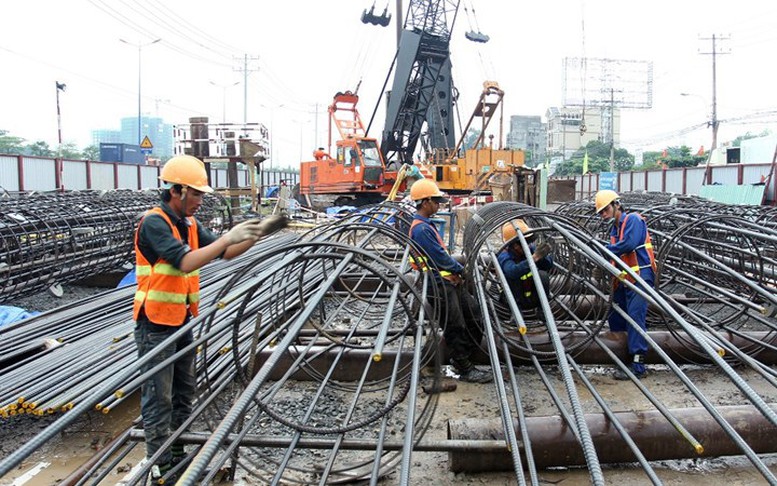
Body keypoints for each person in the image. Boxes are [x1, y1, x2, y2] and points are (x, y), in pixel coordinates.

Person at [133, 155, 287, 481]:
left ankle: (177, 455)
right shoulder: (154, 222)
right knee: (158, 398)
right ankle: (161, 467)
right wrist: (226, 238)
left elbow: (225, 253)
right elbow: (185, 263)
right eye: (197, 194)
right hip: (155, 323)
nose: (201, 201)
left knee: (183, 393)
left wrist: (257, 233)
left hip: (181, 319)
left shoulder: (188, 224)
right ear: (177, 190)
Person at [408, 178, 492, 384]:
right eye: (436, 201)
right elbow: (439, 258)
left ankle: (463, 358)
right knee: (455, 325)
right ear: (425, 202)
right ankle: (464, 367)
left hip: (448, 283)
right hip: (439, 286)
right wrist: (460, 269)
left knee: (474, 315)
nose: (438, 205)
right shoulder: (420, 229)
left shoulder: (425, 226)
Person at [595, 189, 656, 380]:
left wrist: (602, 249)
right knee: (616, 313)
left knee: (635, 318)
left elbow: (628, 245)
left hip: (640, 276)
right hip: (624, 278)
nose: (604, 215)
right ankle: (621, 354)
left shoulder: (633, 220)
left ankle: (638, 364)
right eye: (601, 213)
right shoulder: (615, 228)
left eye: (605, 210)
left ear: (617, 205)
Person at [498, 219, 553, 314]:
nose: (528, 245)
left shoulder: (530, 248)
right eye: (524, 242)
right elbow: (512, 272)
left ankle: (542, 308)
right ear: (514, 245)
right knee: (512, 278)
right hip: (512, 300)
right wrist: (534, 258)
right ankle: (516, 313)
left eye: (529, 241)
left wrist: (544, 256)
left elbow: (547, 266)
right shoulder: (504, 255)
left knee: (542, 275)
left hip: (531, 297)